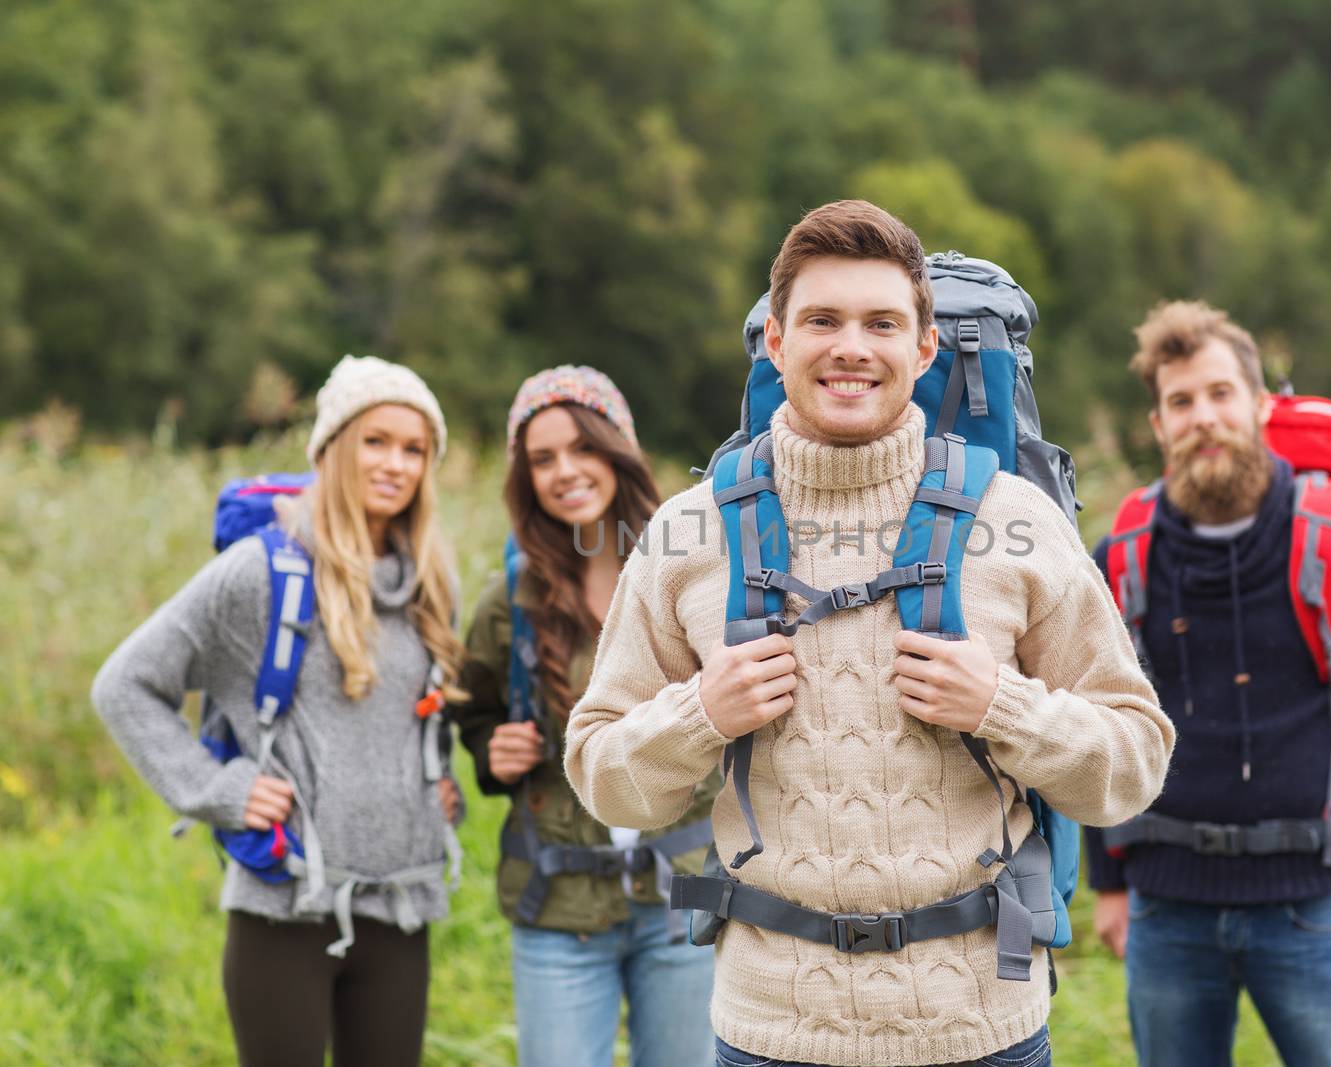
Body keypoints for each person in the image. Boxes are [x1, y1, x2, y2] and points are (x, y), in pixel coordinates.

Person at [563, 199, 1174, 1067]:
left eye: (882, 322)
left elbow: (1135, 761)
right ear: (776, 341)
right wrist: (701, 712)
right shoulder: (688, 534)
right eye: (822, 320)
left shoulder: (1016, 520)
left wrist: (1001, 705)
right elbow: (603, 777)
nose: (852, 346)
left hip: (980, 1030)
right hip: (771, 1032)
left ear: (923, 349)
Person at [1085, 301, 1331, 1067]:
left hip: (1309, 908)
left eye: (1221, 394)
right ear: (1157, 424)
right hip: (1164, 907)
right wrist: (1108, 881)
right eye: (1181, 401)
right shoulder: (1119, 556)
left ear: (1259, 406)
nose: (1204, 417)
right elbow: (1096, 720)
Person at [92, 355, 467, 1067]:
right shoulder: (263, 572)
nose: (395, 463)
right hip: (284, 909)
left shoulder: (428, 581)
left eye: (414, 448)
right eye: (375, 440)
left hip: (401, 904)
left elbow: (411, 713)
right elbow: (124, 683)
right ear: (331, 447)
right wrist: (220, 790)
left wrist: (435, 783)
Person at [450, 365, 716, 1067]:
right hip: (559, 906)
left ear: (617, 449)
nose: (565, 471)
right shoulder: (510, 597)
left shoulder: (689, 569)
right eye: (542, 459)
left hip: (683, 898)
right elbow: (471, 710)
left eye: (582, 447)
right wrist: (489, 749)